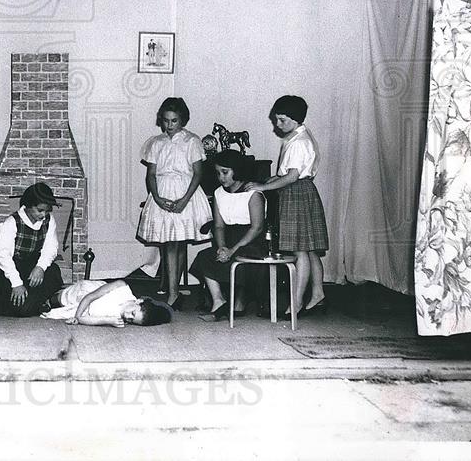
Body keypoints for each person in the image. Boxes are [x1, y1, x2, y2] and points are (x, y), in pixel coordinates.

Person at [244, 95, 328, 317]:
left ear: (295, 119)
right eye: (276, 120)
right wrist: (268, 181)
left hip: (297, 194)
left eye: (281, 120)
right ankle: (318, 293)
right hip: (301, 192)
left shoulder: (299, 143)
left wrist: (263, 187)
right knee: (308, 249)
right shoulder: (297, 136)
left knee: (300, 250)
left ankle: (296, 302)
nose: (277, 125)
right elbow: (286, 174)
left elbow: (291, 177)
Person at [137, 97, 213, 310]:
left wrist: (184, 200)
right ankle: (173, 292)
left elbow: (198, 174)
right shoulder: (156, 142)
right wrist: (158, 199)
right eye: (166, 120)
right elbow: (151, 175)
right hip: (162, 195)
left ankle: (173, 293)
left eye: (174, 121)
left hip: (185, 195)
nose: (169, 125)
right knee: (170, 243)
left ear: (183, 121)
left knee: (178, 244)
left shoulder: (192, 141)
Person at [189, 150, 267, 321]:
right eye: (218, 173)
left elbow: (257, 228)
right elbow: (218, 225)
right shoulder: (218, 193)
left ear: (237, 170)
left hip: (250, 241)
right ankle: (219, 301)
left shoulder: (252, 193)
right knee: (205, 256)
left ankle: (241, 298)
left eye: (225, 172)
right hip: (227, 239)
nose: (221, 177)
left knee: (239, 258)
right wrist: (222, 246)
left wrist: (232, 250)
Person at [0, 182, 64, 317]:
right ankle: (35, 303)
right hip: (7, 270)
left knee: (54, 273)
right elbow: (3, 256)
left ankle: (34, 302)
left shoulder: (49, 221)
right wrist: (16, 283)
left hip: (29, 267)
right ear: (27, 206)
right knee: (20, 308)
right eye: (40, 210)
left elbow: (51, 247)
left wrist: (40, 268)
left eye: (47, 210)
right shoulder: (12, 222)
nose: (44, 214)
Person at [40, 279, 172, 327]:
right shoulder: (122, 287)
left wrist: (107, 321)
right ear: (138, 301)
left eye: (131, 320)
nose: (128, 317)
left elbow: (83, 319)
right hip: (85, 293)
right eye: (133, 312)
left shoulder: (118, 320)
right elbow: (90, 297)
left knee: (42, 308)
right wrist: (77, 316)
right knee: (55, 299)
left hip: (82, 311)